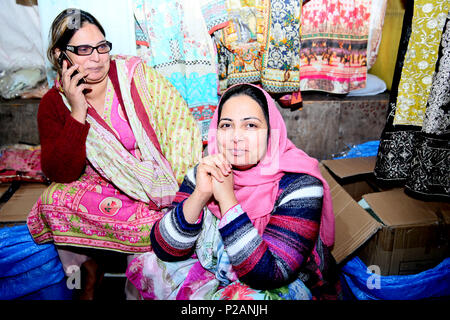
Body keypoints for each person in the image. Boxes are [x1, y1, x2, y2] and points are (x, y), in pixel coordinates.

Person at [26, 8, 202, 299]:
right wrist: (78, 112)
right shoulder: (54, 104)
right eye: (83, 49)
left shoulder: (136, 76)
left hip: (158, 182)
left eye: (101, 47)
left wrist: (179, 190)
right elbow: (62, 172)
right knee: (53, 199)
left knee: (181, 207)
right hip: (106, 195)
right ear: (60, 56)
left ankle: (167, 227)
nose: (97, 58)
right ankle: (162, 234)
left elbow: (180, 126)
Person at [126, 83, 341, 300]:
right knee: (150, 264)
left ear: (271, 132)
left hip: (279, 283)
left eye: (251, 126)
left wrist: (227, 199)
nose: (236, 137)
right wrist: (200, 194)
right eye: (226, 125)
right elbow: (165, 249)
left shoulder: (301, 184)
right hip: (218, 272)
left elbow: (270, 274)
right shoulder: (207, 170)